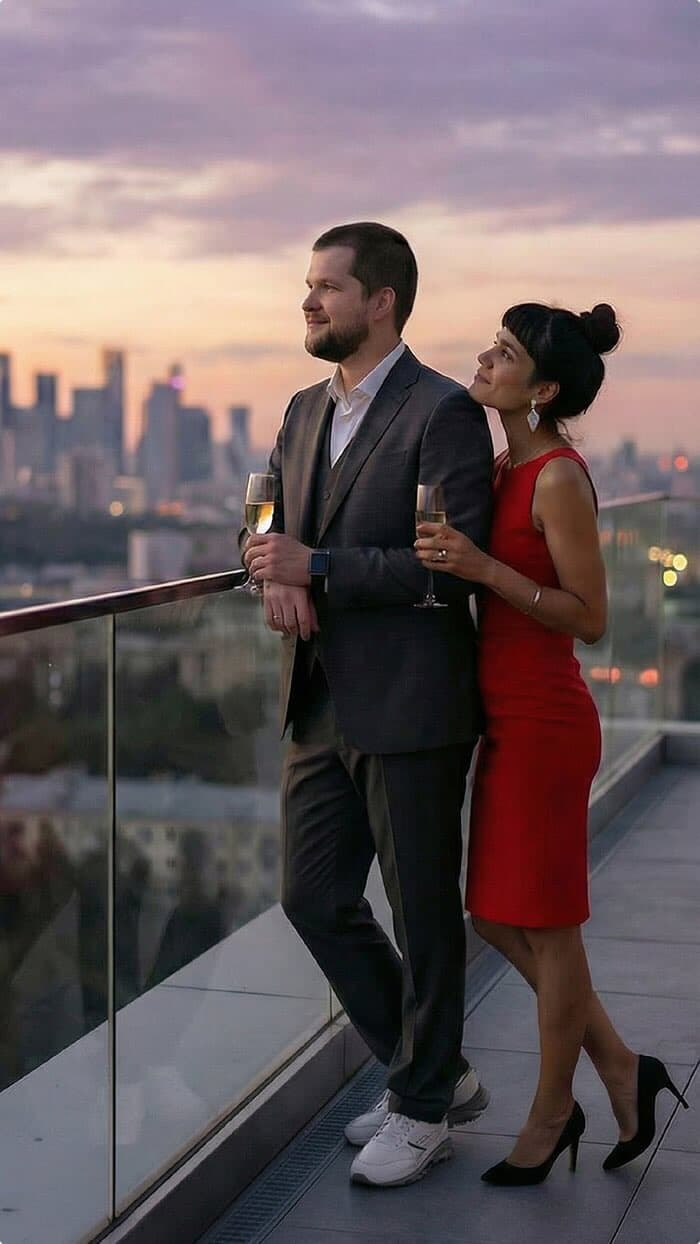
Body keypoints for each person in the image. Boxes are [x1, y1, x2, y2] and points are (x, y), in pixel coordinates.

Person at [415, 301, 689, 1186]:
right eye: (492, 344)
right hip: (506, 720)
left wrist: (482, 568)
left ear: (544, 389)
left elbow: (594, 619)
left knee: (550, 926)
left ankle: (550, 1113)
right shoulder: (504, 465)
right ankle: (620, 1069)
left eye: (507, 353)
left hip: (546, 722)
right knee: (495, 914)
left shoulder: (558, 478)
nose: (486, 359)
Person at [243, 222, 493, 1187]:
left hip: (413, 703)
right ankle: (434, 1073)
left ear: (381, 300)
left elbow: (448, 566)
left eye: (327, 288)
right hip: (317, 701)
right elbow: (263, 514)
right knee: (310, 896)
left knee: (425, 914)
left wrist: (323, 568)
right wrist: (274, 570)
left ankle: (422, 1105)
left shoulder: (442, 413)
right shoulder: (304, 408)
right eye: (307, 286)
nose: (308, 303)